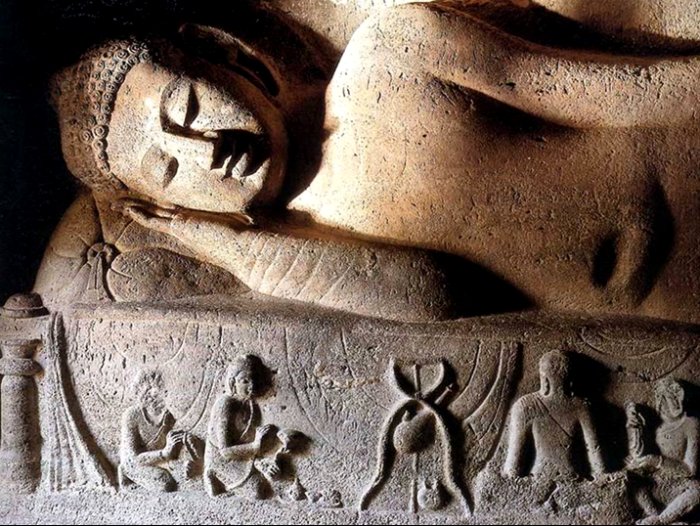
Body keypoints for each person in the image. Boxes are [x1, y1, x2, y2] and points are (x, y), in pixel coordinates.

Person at [204, 355, 304, 499]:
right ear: (232, 382)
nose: (251, 386)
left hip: (245, 456)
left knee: (276, 477)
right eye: (245, 381)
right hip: (222, 460)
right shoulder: (225, 404)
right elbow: (225, 451)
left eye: (254, 380)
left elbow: (249, 440)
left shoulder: (250, 404)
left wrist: (264, 461)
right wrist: (256, 446)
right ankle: (211, 475)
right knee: (256, 491)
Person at [503, 350, 605, 480]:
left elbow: (513, 468)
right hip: (572, 478)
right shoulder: (582, 406)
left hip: (540, 479)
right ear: (571, 379)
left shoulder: (524, 406)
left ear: (544, 378)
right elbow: (598, 463)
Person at [627, 378, 700, 525]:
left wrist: (657, 461)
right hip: (655, 484)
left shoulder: (691, 424)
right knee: (631, 481)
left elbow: (690, 469)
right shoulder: (655, 424)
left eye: (679, 397)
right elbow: (638, 456)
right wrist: (634, 428)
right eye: (671, 397)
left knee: (697, 491)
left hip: (679, 486)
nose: (678, 403)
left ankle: (661, 520)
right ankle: (655, 515)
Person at [119, 370, 190, 492]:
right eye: (152, 394)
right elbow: (132, 458)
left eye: (160, 392)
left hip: (162, 460)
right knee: (165, 483)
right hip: (137, 462)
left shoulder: (169, 416)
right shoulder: (132, 415)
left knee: (185, 475)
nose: (158, 397)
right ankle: (127, 476)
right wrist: (165, 453)